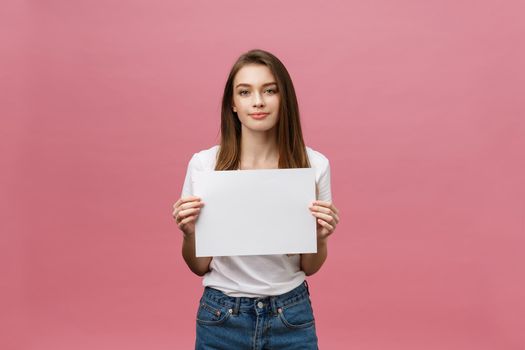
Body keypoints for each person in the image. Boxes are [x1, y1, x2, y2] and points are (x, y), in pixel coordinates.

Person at [172, 49, 340, 349]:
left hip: (290, 313)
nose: (258, 101)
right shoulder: (204, 165)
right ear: (233, 105)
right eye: (245, 92)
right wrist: (189, 233)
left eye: (269, 90)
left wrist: (321, 238)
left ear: (283, 99)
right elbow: (198, 266)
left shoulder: (315, 165)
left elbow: (310, 266)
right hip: (222, 315)